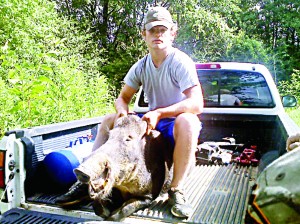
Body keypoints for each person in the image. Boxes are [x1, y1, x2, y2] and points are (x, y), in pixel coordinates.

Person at [56, 6, 204, 218]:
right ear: (144, 33)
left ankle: (176, 190)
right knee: (109, 120)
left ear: (173, 33)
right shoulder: (141, 66)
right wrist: (122, 113)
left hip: (174, 121)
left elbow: (197, 103)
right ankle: (89, 179)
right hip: (153, 118)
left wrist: (160, 113)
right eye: (152, 30)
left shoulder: (180, 62)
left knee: (188, 122)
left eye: (163, 30)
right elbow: (123, 98)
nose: (158, 35)